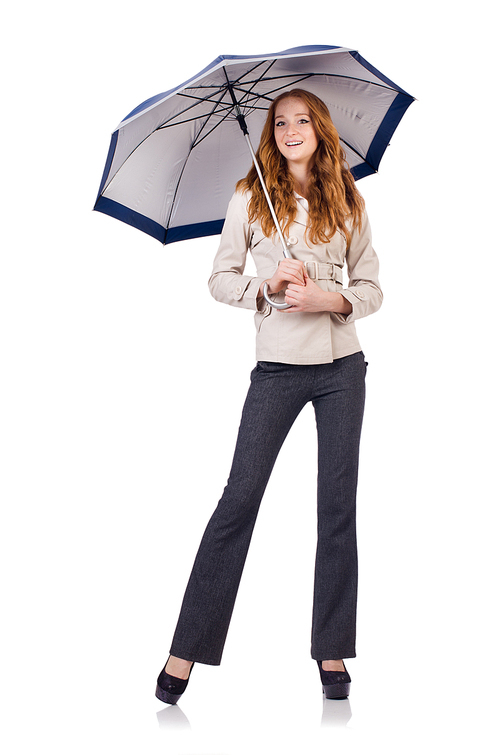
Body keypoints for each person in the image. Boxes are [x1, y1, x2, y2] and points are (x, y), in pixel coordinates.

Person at [155, 88, 383, 705]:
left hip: (342, 368)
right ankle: (186, 649)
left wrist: (329, 299)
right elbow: (218, 279)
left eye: (301, 121)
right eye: (280, 123)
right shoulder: (249, 197)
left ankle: (331, 649)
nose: (290, 131)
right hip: (278, 368)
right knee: (238, 501)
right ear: (269, 134)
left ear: (320, 129)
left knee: (338, 509)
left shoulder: (348, 198)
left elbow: (370, 287)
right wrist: (268, 284)